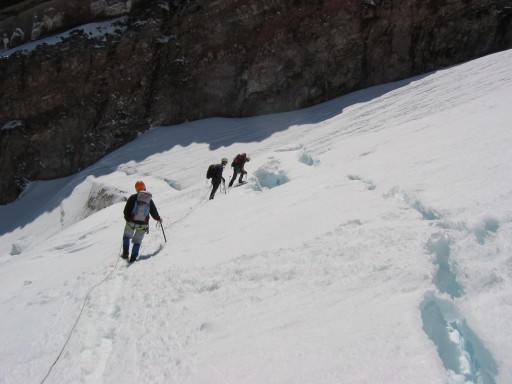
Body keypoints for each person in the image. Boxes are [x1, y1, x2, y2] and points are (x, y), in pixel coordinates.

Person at [122, 180, 162, 262]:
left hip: (131, 222)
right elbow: (153, 212)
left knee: (127, 236)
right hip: (143, 224)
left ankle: (125, 253)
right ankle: (133, 258)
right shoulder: (149, 200)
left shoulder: (133, 197)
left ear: (136, 189)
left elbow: (126, 211)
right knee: (137, 241)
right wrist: (158, 219)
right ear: (144, 187)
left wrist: (127, 218)